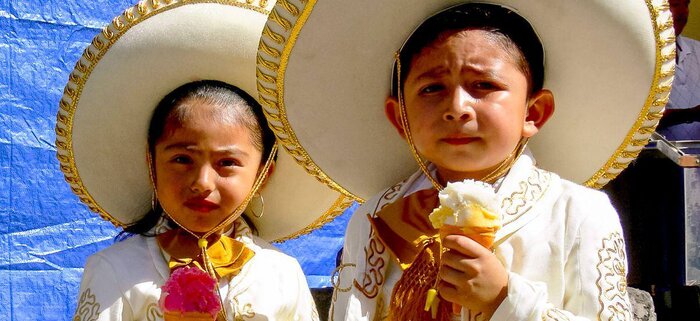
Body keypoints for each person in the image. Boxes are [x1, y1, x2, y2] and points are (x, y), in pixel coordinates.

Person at [252, 0, 673, 320]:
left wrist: (505, 298)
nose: (457, 107)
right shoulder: (377, 216)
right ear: (400, 118)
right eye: (432, 89)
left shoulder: (579, 212)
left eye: (483, 85)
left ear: (533, 113)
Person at [56, 1, 347, 320]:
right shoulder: (115, 270)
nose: (202, 183)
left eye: (227, 164)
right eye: (182, 159)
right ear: (152, 164)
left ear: (264, 174)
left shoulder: (281, 274)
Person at [657, 0, 700, 140]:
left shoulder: (697, 50)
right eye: (675, 4)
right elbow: (636, 120)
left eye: (686, 5)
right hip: (654, 157)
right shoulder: (637, 58)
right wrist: (689, 114)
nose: (682, 12)